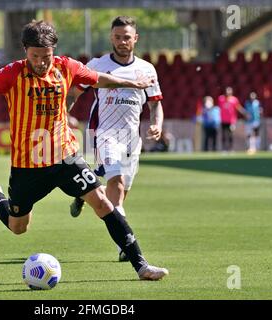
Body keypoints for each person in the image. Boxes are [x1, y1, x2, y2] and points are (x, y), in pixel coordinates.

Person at [0, 20, 168, 281]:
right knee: (18, 227)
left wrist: (132, 84)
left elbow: (98, 79)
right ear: (25, 51)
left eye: (47, 56)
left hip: (65, 156)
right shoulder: (12, 74)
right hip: (28, 165)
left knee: (102, 202)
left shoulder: (66, 66)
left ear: (54, 50)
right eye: (35, 56)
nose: (42, 62)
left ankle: (141, 265)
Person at [67, 16, 164, 262]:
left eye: (127, 37)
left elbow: (155, 105)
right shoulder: (97, 65)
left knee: (120, 193)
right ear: (111, 38)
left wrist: (157, 123)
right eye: (118, 37)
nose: (122, 42)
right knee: (117, 185)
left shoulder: (146, 69)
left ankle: (83, 192)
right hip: (105, 133)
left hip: (132, 138)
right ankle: (126, 245)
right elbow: (75, 93)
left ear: (135, 39)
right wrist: (62, 115)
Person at [217, 87, 245, 152]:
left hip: (231, 121)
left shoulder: (234, 99)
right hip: (223, 120)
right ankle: (224, 148)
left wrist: (244, 112)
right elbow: (218, 109)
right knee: (223, 134)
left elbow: (238, 107)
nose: (227, 93)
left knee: (230, 134)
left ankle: (230, 148)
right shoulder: (221, 99)